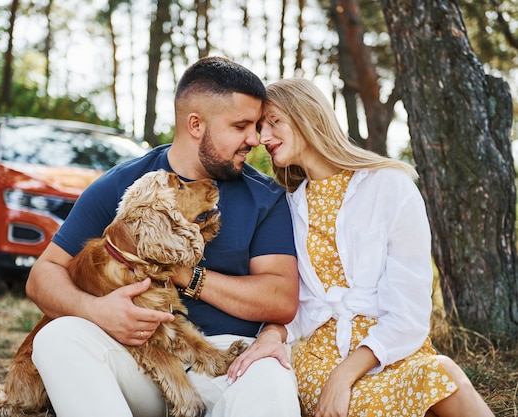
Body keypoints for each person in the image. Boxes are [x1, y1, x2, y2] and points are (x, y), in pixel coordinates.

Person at [25, 56, 301, 417]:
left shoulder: (265, 197)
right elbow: (42, 276)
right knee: (55, 338)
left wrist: (184, 274)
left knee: (273, 377)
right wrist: (96, 311)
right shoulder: (123, 185)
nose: (255, 139)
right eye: (241, 126)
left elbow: (280, 298)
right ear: (196, 124)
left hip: (226, 361)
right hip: (138, 357)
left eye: (257, 125)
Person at [227, 77, 494, 417]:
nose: (263, 138)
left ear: (307, 115)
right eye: (260, 128)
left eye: (274, 122)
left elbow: (409, 312)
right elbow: (295, 305)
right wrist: (273, 335)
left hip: (395, 351)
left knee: (440, 374)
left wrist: (346, 373)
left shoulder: (390, 185)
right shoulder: (287, 208)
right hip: (320, 363)